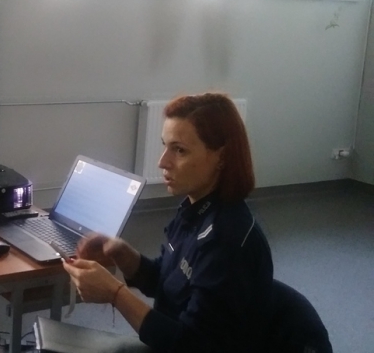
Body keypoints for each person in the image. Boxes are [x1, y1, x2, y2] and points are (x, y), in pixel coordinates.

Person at [62, 93, 274, 353]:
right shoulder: (194, 209)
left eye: (179, 150)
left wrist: (115, 294)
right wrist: (124, 254)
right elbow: (168, 284)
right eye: (165, 146)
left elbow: (191, 345)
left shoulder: (227, 241)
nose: (162, 162)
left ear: (222, 157)